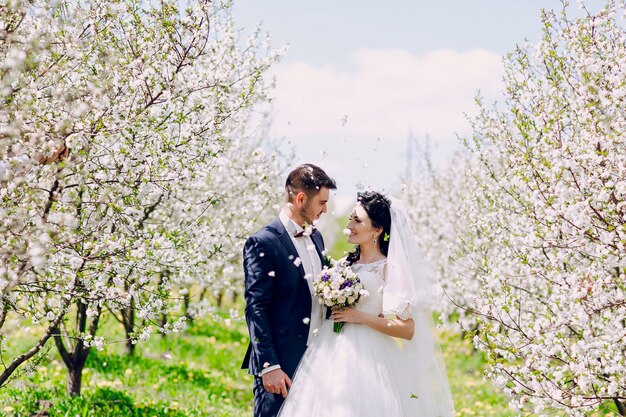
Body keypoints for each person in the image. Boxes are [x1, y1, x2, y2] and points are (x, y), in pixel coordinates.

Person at [277, 191, 455, 417]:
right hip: (329, 350)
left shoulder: (390, 268)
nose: (349, 225)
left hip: (370, 356)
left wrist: (359, 317)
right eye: (351, 218)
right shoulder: (343, 265)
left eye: (357, 220)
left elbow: (407, 330)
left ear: (378, 230)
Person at [242, 163, 337, 417]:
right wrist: (268, 365)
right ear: (301, 198)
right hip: (281, 365)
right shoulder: (262, 242)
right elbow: (255, 308)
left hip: (319, 359)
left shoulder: (317, 237)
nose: (325, 210)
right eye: (321, 203)